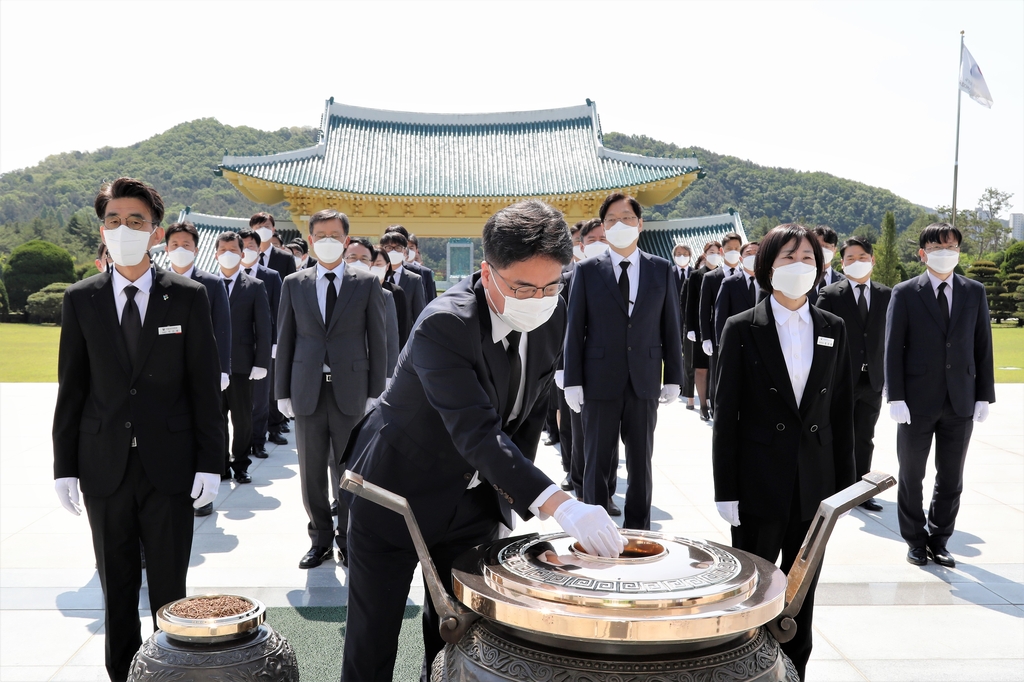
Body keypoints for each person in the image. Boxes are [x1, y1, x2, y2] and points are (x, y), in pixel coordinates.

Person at [341, 199, 624, 681]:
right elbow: (477, 431)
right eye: (522, 286)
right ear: (486, 271)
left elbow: (529, 410)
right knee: (374, 637)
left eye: (551, 285)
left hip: (472, 501)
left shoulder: (551, 313)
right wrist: (560, 504)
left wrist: (515, 492)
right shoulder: (444, 324)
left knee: (461, 631)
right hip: (396, 493)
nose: (538, 297)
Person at [52, 177, 224, 682]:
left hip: (169, 468)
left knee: (171, 593)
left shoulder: (188, 298)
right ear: (101, 230)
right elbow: (72, 389)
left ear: (154, 232)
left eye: (135, 221)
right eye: (112, 220)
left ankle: (173, 675)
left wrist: (211, 462)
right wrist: (65, 466)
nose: (122, 228)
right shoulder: (80, 299)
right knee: (117, 592)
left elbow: (203, 389)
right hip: (104, 468)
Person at [712, 223, 856, 681]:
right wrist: (725, 488)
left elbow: (842, 411)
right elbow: (726, 414)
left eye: (809, 259)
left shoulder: (833, 327)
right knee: (752, 590)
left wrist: (843, 492)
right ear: (767, 266)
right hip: (758, 482)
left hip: (813, 484)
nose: (800, 267)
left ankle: (795, 672)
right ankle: (747, 670)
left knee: (802, 595)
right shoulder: (742, 328)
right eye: (789, 258)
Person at [563, 192, 684, 530]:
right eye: (613, 220)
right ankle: (593, 530)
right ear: (603, 226)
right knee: (596, 463)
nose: (621, 224)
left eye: (628, 218)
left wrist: (674, 375)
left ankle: (639, 531)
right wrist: (571, 379)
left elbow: (671, 324)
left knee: (641, 463)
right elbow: (575, 328)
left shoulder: (661, 269)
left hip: (644, 378)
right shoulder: (587, 270)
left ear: (640, 224)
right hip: (599, 379)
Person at [275, 209, 387, 570]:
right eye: (320, 234)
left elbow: (378, 339)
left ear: (346, 240)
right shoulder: (294, 282)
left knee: (350, 473)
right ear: (310, 239)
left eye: (334, 235)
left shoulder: (366, 282)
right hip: (307, 389)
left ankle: (348, 540)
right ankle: (319, 539)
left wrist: (376, 390)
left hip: (351, 390)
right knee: (310, 474)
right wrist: (281, 391)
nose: (327, 240)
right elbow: (286, 338)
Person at [885, 222, 995, 568]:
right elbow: (892, 348)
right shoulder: (904, 292)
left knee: (951, 476)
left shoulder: (973, 291)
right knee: (911, 474)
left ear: (959, 251)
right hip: (916, 401)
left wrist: (983, 395)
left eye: (952, 246)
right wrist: (895, 396)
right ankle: (915, 540)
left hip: (960, 399)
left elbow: (982, 345)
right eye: (937, 247)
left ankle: (939, 539)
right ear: (923, 253)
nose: (946, 252)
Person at [815, 237, 891, 512]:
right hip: (840, 379)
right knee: (836, 434)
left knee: (864, 436)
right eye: (850, 258)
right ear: (841, 262)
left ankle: (861, 491)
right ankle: (836, 487)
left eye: (862, 257)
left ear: (872, 260)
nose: (856, 263)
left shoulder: (887, 294)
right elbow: (821, 338)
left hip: (872, 380)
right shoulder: (831, 294)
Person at [164, 223, 232, 515]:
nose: (181, 249)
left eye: (187, 244)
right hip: (166, 374)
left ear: (197, 248)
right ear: (166, 248)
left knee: (203, 428)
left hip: (202, 371)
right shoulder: (157, 282)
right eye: (175, 244)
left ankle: (204, 496)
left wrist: (222, 369)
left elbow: (222, 329)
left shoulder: (212, 284)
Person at [214, 232, 272, 484]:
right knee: (215, 418)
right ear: (216, 254)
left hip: (241, 364)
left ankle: (240, 463)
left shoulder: (255, 286)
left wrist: (261, 362)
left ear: (242, 254)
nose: (228, 254)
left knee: (241, 418)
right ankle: (220, 465)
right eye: (223, 250)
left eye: (233, 250)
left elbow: (264, 326)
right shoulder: (206, 284)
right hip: (212, 365)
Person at [237, 228, 286, 458]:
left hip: (263, 345)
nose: (247, 250)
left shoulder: (271, 276)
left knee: (261, 398)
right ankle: (242, 446)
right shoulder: (226, 276)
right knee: (239, 404)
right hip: (236, 348)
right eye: (243, 246)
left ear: (259, 249)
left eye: (252, 246)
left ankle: (259, 441)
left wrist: (275, 342)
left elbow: (278, 310)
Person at [698, 232, 744, 417]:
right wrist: (706, 337)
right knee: (719, 373)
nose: (733, 252)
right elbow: (704, 310)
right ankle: (717, 410)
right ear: (722, 251)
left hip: (742, 334)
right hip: (719, 334)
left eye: (737, 249)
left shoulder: (746, 276)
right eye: (729, 249)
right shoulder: (711, 277)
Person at [344, 237, 401, 378]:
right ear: (343, 258)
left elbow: (390, 342)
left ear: (370, 263)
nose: (358, 262)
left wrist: (388, 379)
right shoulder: (325, 289)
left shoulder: (384, 296)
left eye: (364, 259)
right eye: (352, 257)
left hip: (363, 373)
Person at [684, 240, 722, 420]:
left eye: (717, 251)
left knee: (716, 368)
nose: (714, 254)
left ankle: (715, 402)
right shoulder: (696, 275)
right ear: (705, 254)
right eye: (711, 251)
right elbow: (691, 304)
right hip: (700, 327)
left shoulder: (723, 274)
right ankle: (703, 405)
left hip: (718, 326)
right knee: (701, 368)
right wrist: (690, 327)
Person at [713, 241, 762, 345]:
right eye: (748, 253)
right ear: (741, 258)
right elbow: (721, 314)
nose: (753, 256)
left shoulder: (769, 283)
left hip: (763, 338)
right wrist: (721, 343)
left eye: (757, 253)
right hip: (738, 338)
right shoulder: (729, 283)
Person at [379, 230, 427, 329]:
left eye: (398, 248)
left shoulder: (414, 280)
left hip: (404, 334)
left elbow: (418, 313)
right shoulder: (374, 276)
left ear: (405, 251)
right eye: (388, 248)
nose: (393, 251)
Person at [373, 247, 410, 348]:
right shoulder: (358, 290)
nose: (373, 267)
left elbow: (403, 327)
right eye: (370, 264)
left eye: (378, 264)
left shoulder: (396, 293)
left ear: (387, 265)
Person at [672, 243, 695, 409]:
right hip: (672, 318)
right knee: (673, 353)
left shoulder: (695, 274)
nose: (681, 256)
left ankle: (687, 388)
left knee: (688, 356)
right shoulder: (668, 273)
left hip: (689, 320)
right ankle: (675, 383)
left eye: (684, 253)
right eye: (678, 253)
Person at [809, 224, 843, 302]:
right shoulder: (800, 278)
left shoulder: (844, 282)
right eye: (818, 246)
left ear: (835, 250)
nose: (822, 250)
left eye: (826, 246)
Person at [404, 231, 437, 302]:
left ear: (416, 250)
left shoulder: (426, 272)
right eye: (405, 248)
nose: (408, 251)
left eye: (411, 248)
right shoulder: (392, 270)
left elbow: (431, 299)